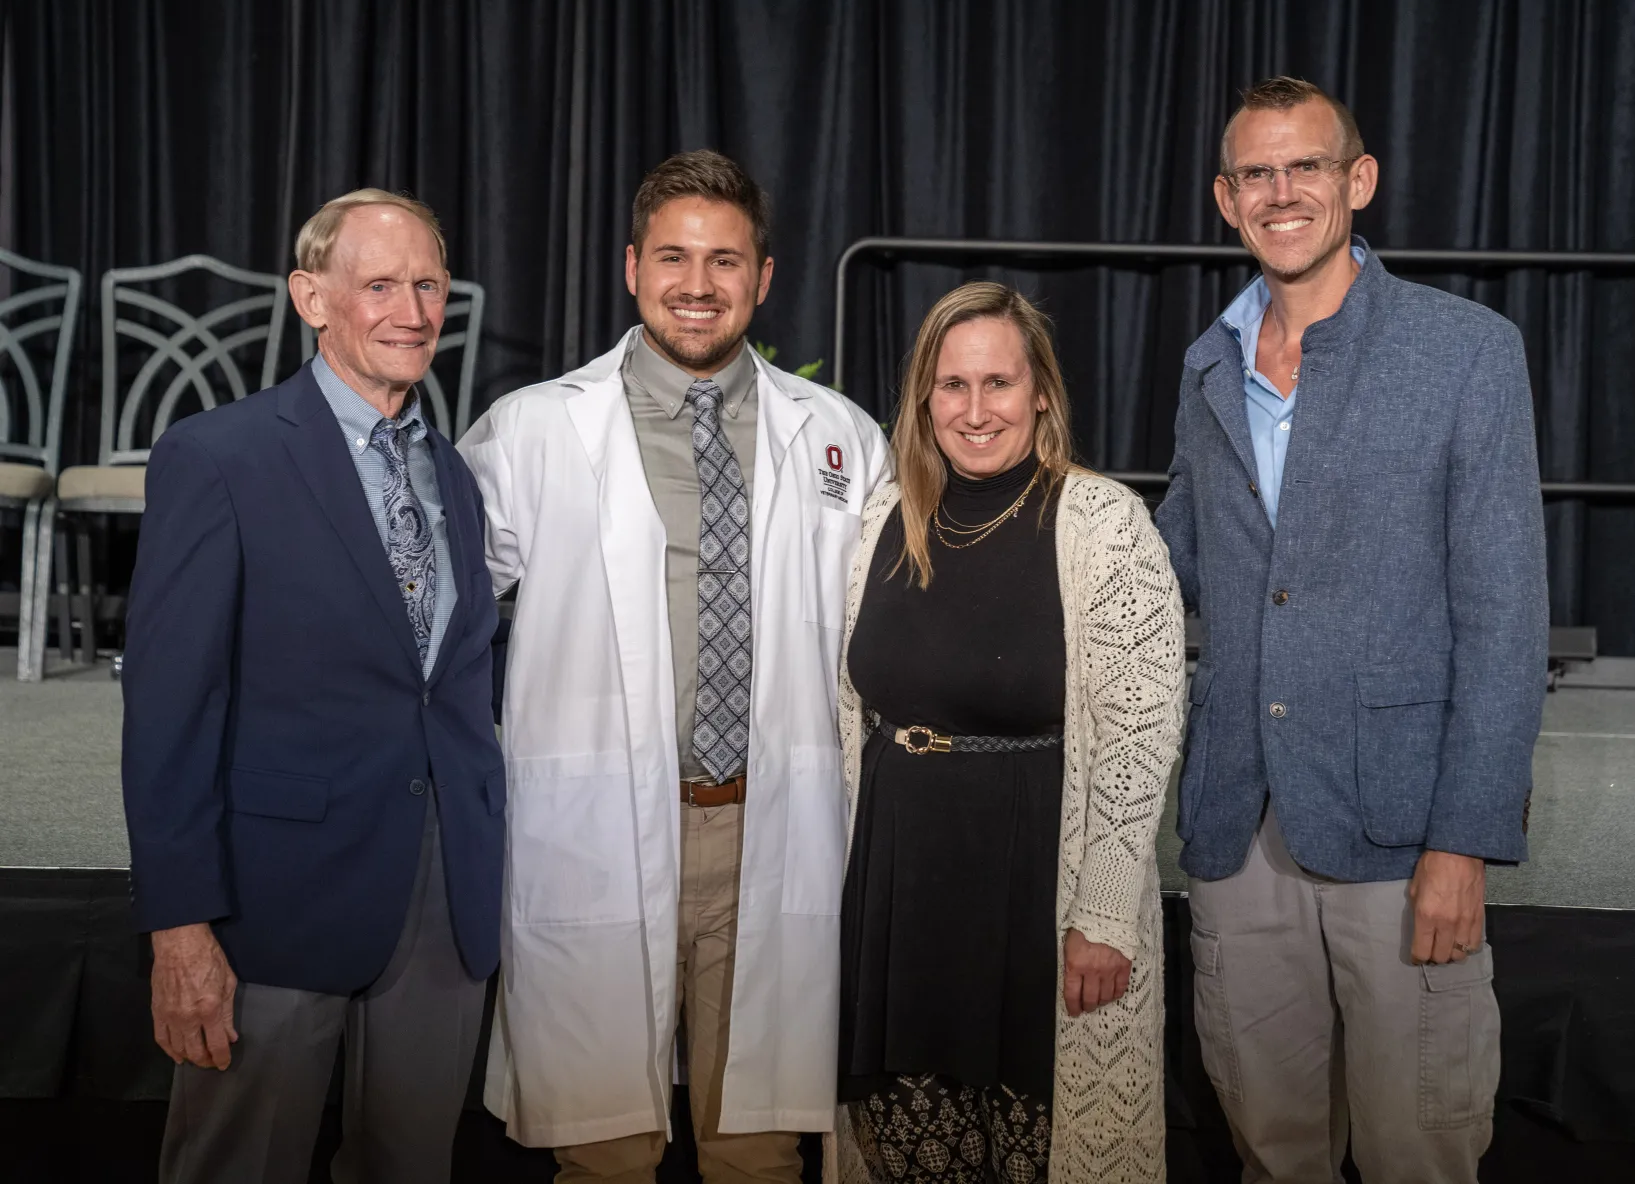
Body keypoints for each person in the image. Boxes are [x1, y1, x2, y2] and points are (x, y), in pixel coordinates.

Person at [459, 149, 890, 1182]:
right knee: (603, 1155)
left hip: (774, 829)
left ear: (765, 277)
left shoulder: (836, 437)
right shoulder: (534, 431)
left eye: (725, 261)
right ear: (631, 267)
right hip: (597, 830)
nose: (698, 285)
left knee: (761, 1155)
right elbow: (432, 627)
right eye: (674, 258)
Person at [1154, 76, 1549, 1182]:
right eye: (1257, 174)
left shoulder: (1466, 351)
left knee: (1418, 1152)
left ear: (1357, 181)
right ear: (1227, 200)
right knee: (1272, 1153)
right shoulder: (1206, 366)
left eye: (1307, 166)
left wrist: (1464, 840)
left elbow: (1506, 614)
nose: (1283, 193)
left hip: (1403, 833)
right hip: (1240, 827)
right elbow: (1164, 562)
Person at [121, 189, 506, 1184]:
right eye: (380, 283)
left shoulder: (453, 477)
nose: (412, 309)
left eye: (428, 283)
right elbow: (169, 712)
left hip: (440, 904)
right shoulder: (220, 458)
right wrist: (179, 928)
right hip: (275, 904)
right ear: (311, 297)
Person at [832, 282, 1186, 1182]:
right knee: (911, 1142)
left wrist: (1104, 911)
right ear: (923, 399)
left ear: (1040, 394)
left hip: (1038, 890)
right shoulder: (880, 520)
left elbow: (1142, 732)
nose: (975, 409)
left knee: (1039, 1149)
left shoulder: (1103, 523)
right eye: (952, 385)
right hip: (900, 889)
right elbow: (845, 714)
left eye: (998, 383)